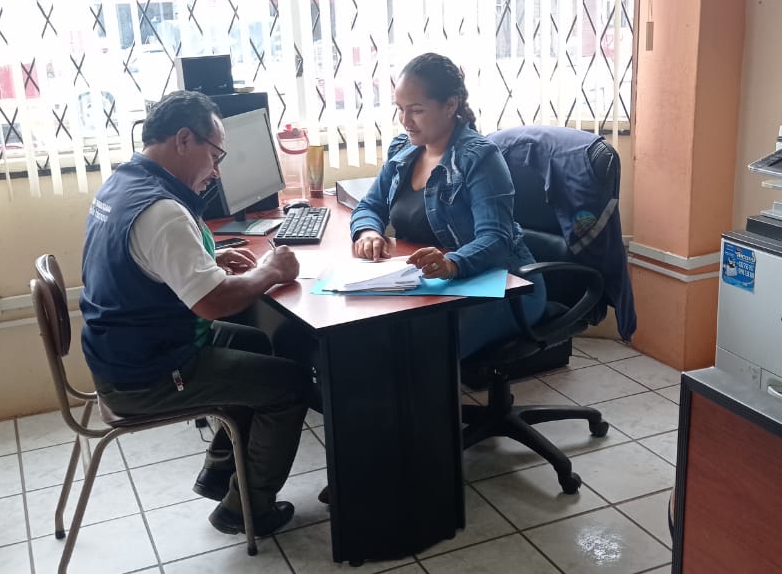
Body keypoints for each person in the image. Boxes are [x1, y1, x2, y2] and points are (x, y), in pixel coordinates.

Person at [80, 91, 309, 536]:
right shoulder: (162, 211)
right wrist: (270, 270)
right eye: (215, 154)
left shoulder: (123, 183)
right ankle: (246, 510)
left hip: (123, 350)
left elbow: (144, 263)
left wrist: (207, 262)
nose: (217, 170)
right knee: (291, 385)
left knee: (255, 343)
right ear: (184, 140)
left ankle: (221, 471)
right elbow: (213, 302)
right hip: (147, 373)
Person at [350, 52, 547, 358]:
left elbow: (496, 238)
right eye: (400, 109)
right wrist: (367, 233)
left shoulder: (479, 157)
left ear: (450, 105)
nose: (405, 121)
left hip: (503, 285)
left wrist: (451, 263)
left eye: (416, 110)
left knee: (422, 351)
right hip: (430, 285)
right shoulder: (403, 150)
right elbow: (370, 206)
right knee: (364, 334)